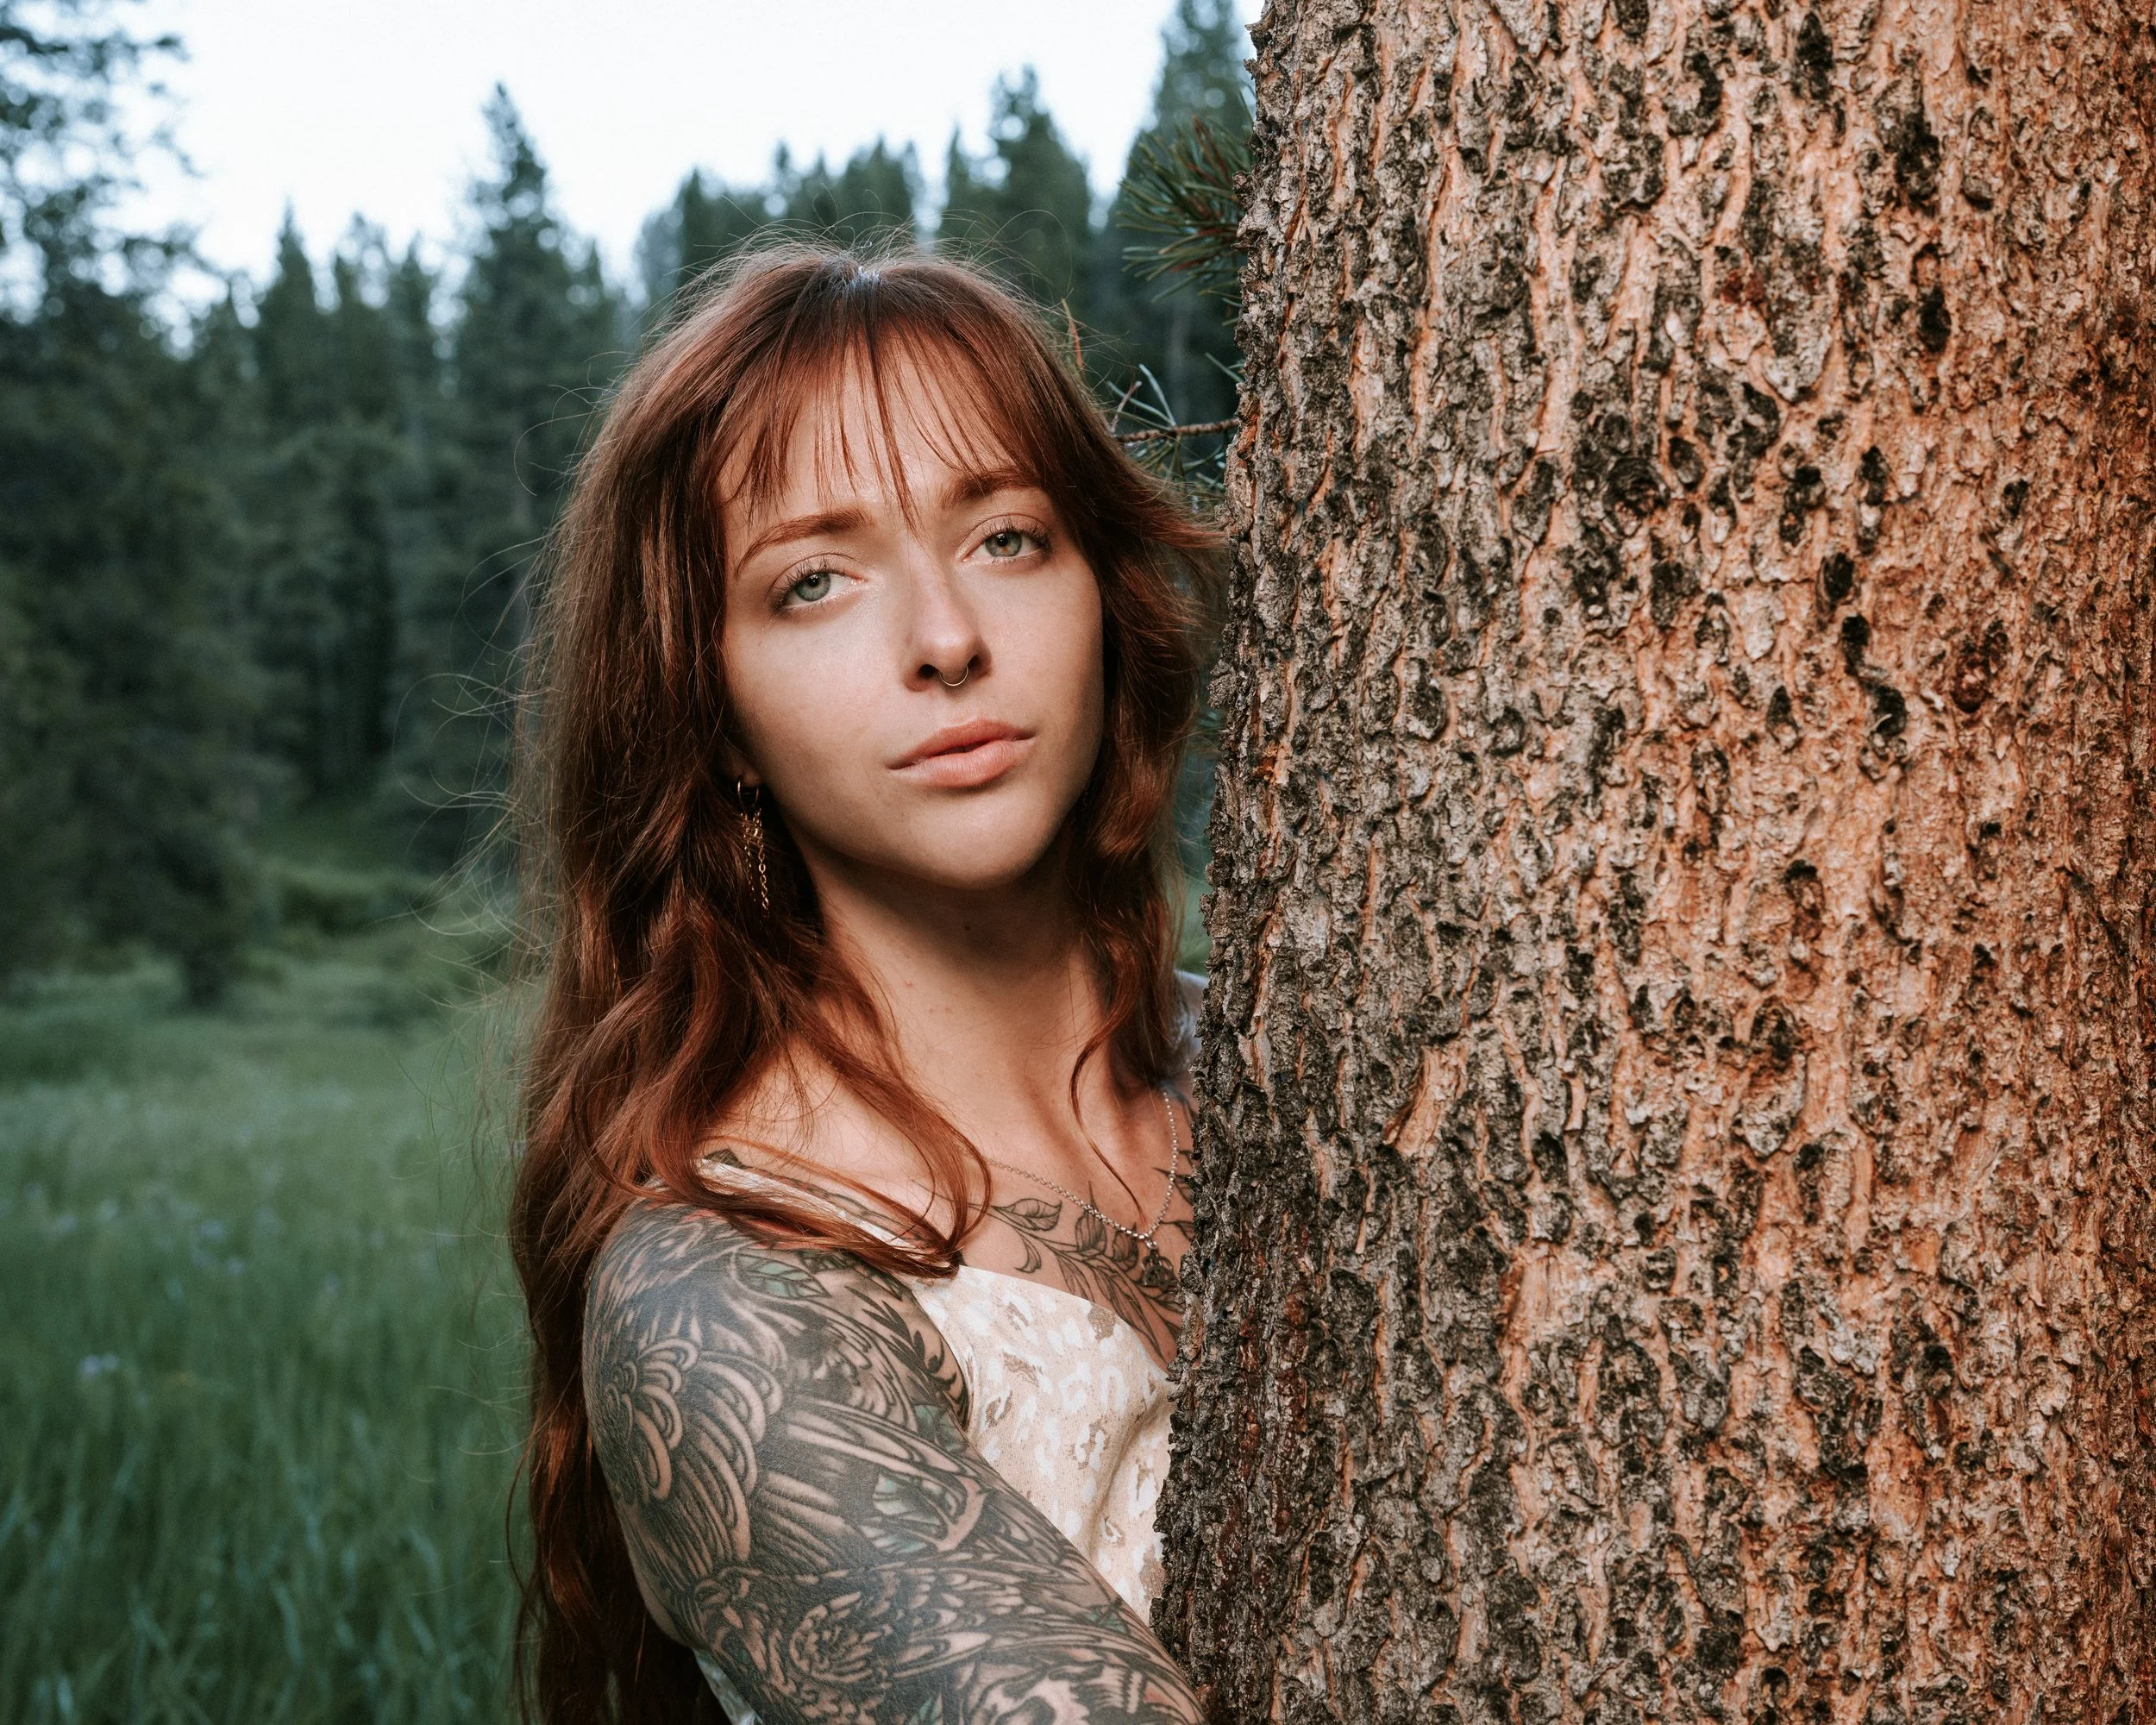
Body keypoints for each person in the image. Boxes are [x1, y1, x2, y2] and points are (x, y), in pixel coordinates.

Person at [509, 246, 1219, 1723]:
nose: (947, 641)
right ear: (710, 709)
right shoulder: (728, 1294)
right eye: (814, 583)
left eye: (1007, 537)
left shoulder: (1293, 1063)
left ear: (1103, 591)